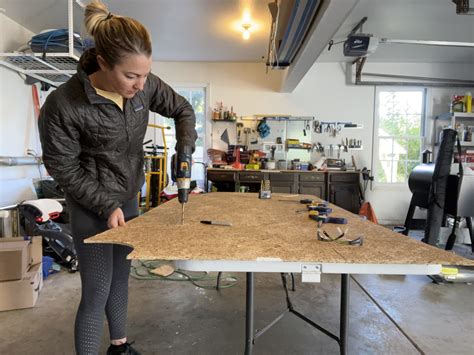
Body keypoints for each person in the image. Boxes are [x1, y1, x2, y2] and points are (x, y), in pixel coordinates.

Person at [38, 1, 197, 354]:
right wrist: (105, 204)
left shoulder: (145, 86)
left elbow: (183, 110)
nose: (141, 85)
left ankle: (119, 347)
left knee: (121, 280)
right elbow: (62, 167)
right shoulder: (64, 104)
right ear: (104, 62)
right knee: (97, 291)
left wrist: (183, 150)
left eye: (145, 74)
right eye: (131, 76)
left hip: (127, 196)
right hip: (91, 205)